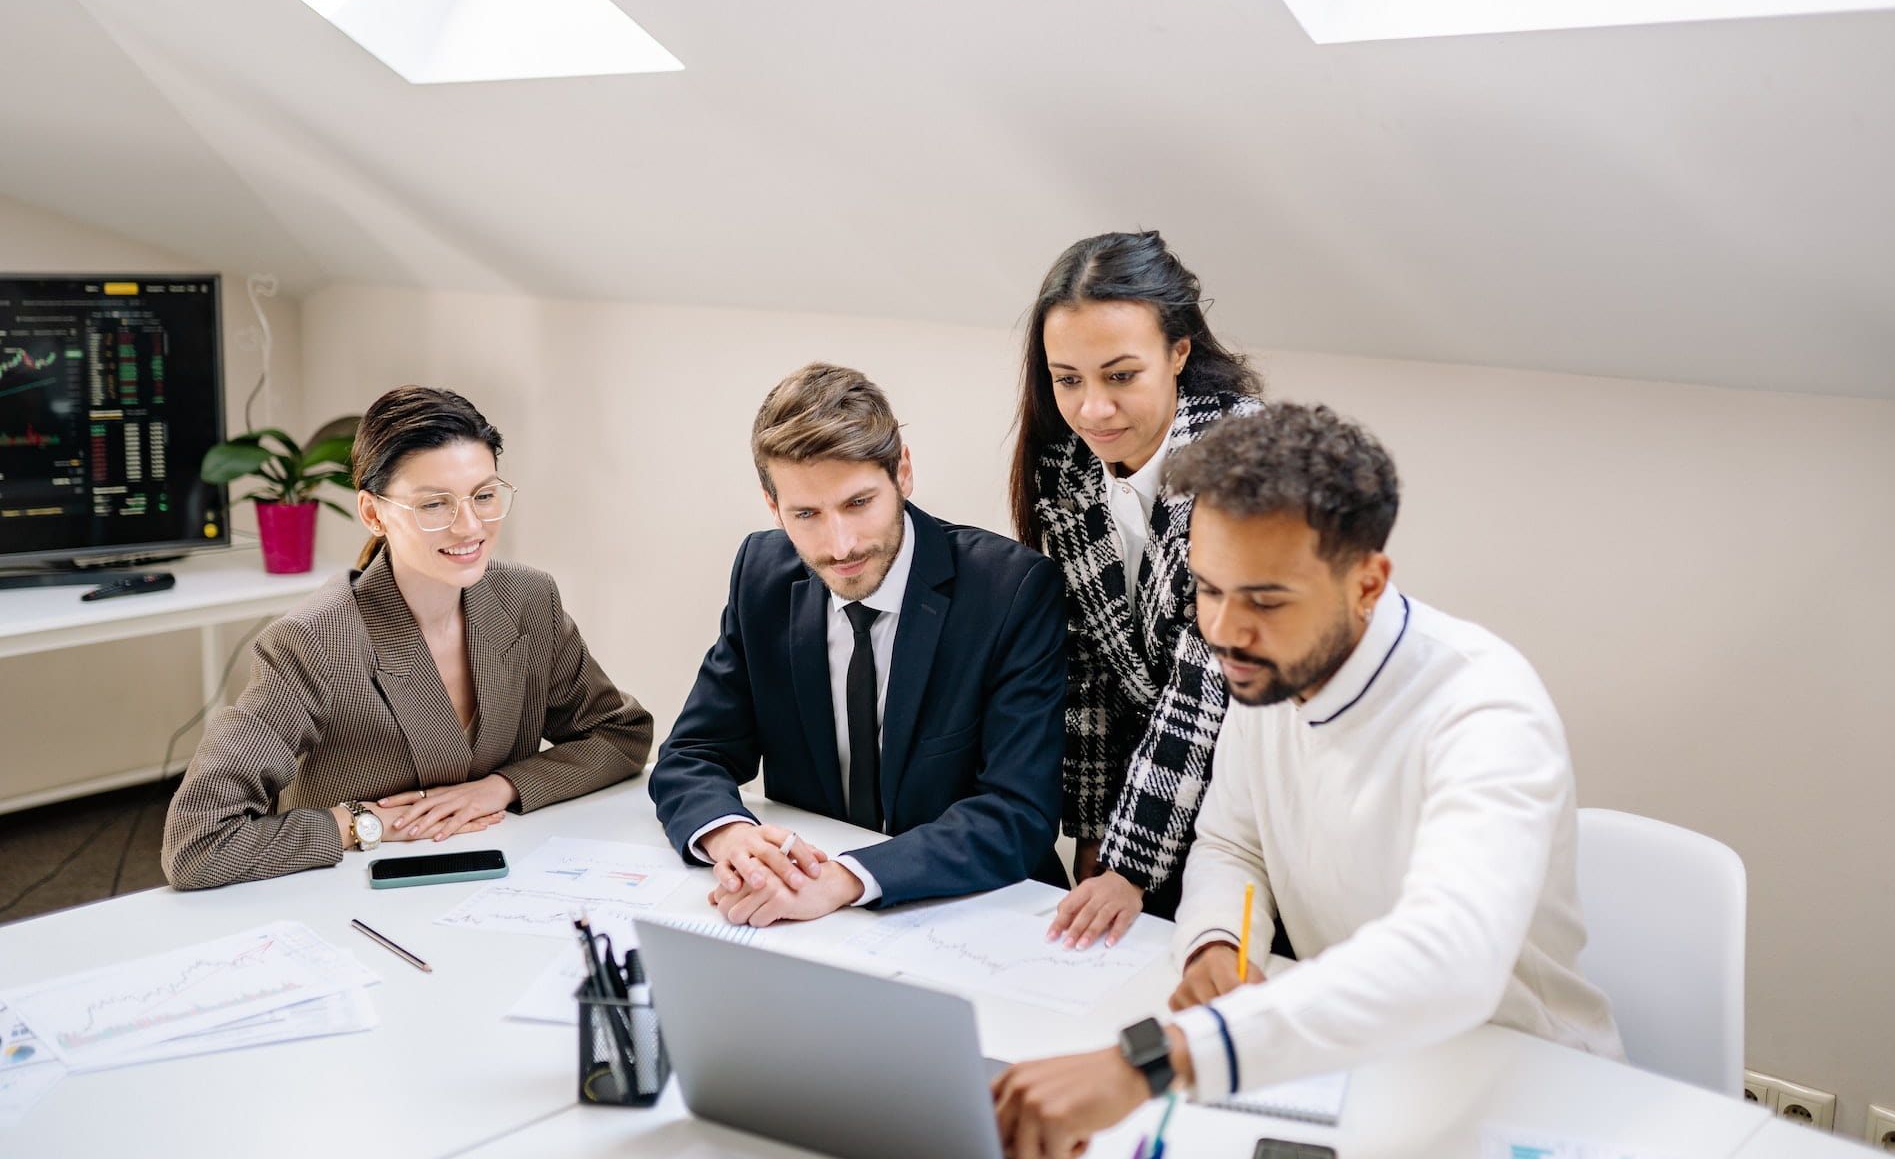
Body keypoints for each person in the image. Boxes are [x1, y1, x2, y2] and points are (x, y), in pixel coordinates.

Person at [991, 402, 1623, 1159]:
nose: (1224, 631)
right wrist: (1221, 943)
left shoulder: (1484, 708)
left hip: (1523, 1094)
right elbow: (1233, 841)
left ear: (1367, 582)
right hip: (1363, 1072)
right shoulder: (1270, 673)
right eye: (1208, 589)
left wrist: (1154, 1059)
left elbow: (1448, 959)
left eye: (1264, 600)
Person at [162, 386, 653, 890]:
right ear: (374, 513)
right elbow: (196, 846)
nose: (470, 527)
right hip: (352, 897)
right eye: (434, 505)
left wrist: (502, 786)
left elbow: (620, 734)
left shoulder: (528, 599)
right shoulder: (312, 643)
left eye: (484, 496)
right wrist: (362, 824)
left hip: (500, 877)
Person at [648, 363, 1067, 924]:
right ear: (773, 507)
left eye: (858, 503)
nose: (840, 545)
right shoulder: (761, 575)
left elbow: (1018, 813)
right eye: (806, 515)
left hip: (975, 913)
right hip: (810, 924)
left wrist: (843, 880)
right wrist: (731, 838)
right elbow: (692, 754)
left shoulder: (1010, 590)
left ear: (904, 472)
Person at [1009, 230, 1264, 948]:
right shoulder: (1065, 466)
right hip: (1143, 793)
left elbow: (1200, 685)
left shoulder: (1241, 463)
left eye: (1121, 375)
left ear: (1178, 352)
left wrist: (1130, 861)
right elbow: (1088, 666)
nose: (1093, 410)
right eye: (1068, 379)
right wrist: (1092, 838)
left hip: (1249, 793)